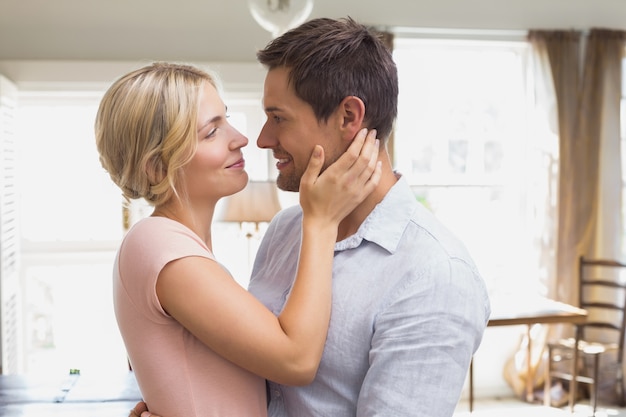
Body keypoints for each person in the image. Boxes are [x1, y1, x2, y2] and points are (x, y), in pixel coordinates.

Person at [131, 17, 491, 417]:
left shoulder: (435, 274)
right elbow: (257, 374)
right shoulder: (287, 230)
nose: (262, 139)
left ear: (349, 117)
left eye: (279, 117)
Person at [95, 61, 382, 417]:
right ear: (157, 166)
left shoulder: (175, 248)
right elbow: (296, 359)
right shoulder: (158, 245)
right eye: (212, 132)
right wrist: (321, 221)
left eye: (226, 120)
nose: (242, 139)